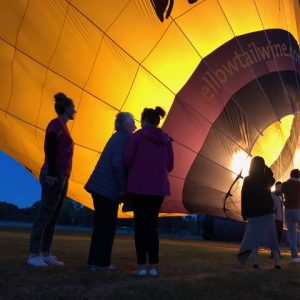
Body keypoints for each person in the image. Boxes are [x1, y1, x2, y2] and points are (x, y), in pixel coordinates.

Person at [124, 106, 174, 277]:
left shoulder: (137, 137)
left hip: (138, 188)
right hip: (158, 190)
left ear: (145, 120)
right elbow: (170, 165)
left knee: (140, 227)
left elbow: (127, 159)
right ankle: (153, 266)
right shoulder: (166, 140)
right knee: (152, 227)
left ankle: (140, 267)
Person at [28, 93, 76, 267]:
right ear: (65, 109)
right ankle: (34, 254)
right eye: (73, 107)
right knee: (45, 214)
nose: (75, 110)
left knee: (53, 215)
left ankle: (46, 253)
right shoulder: (55, 125)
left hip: (62, 176)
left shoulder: (63, 127)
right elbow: (49, 148)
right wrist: (53, 174)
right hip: (53, 175)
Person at [85, 112, 136, 271]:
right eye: (133, 123)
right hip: (107, 190)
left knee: (100, 226)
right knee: (107, 227)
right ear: (126, 124)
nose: (135, 126)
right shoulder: (124, 138)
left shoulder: (116, 137)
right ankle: (101, 263)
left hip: (99, 188)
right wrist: (123, 187)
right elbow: (117, 164)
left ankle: (94, 261)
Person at [237, 156, 280, 269]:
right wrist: (267, 168)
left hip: (254, 213)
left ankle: (255, 263)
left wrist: (244, 213)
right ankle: (277, 264)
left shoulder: (248, 179)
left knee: (253, 238)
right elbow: (272, 180)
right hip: (267, 212)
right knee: (272, 238)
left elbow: (244, 197)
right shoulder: (266, 178)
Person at [281, 169, 300, 262]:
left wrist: (284, 202)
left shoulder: (285, 184)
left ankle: (294, 257)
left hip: (288, 210)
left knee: (292, 234)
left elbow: (279, 193)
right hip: (298, 209)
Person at [271, 181, 284, 256]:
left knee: (279, 236)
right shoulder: (272, 194)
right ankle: (273, 252)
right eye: (279, 187)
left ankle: (276, 251)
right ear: (276, 187)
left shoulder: (282, 195)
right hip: (275, 218)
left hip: (280, 218)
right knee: (275, 236)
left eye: (281, 187)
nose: (280, 188)